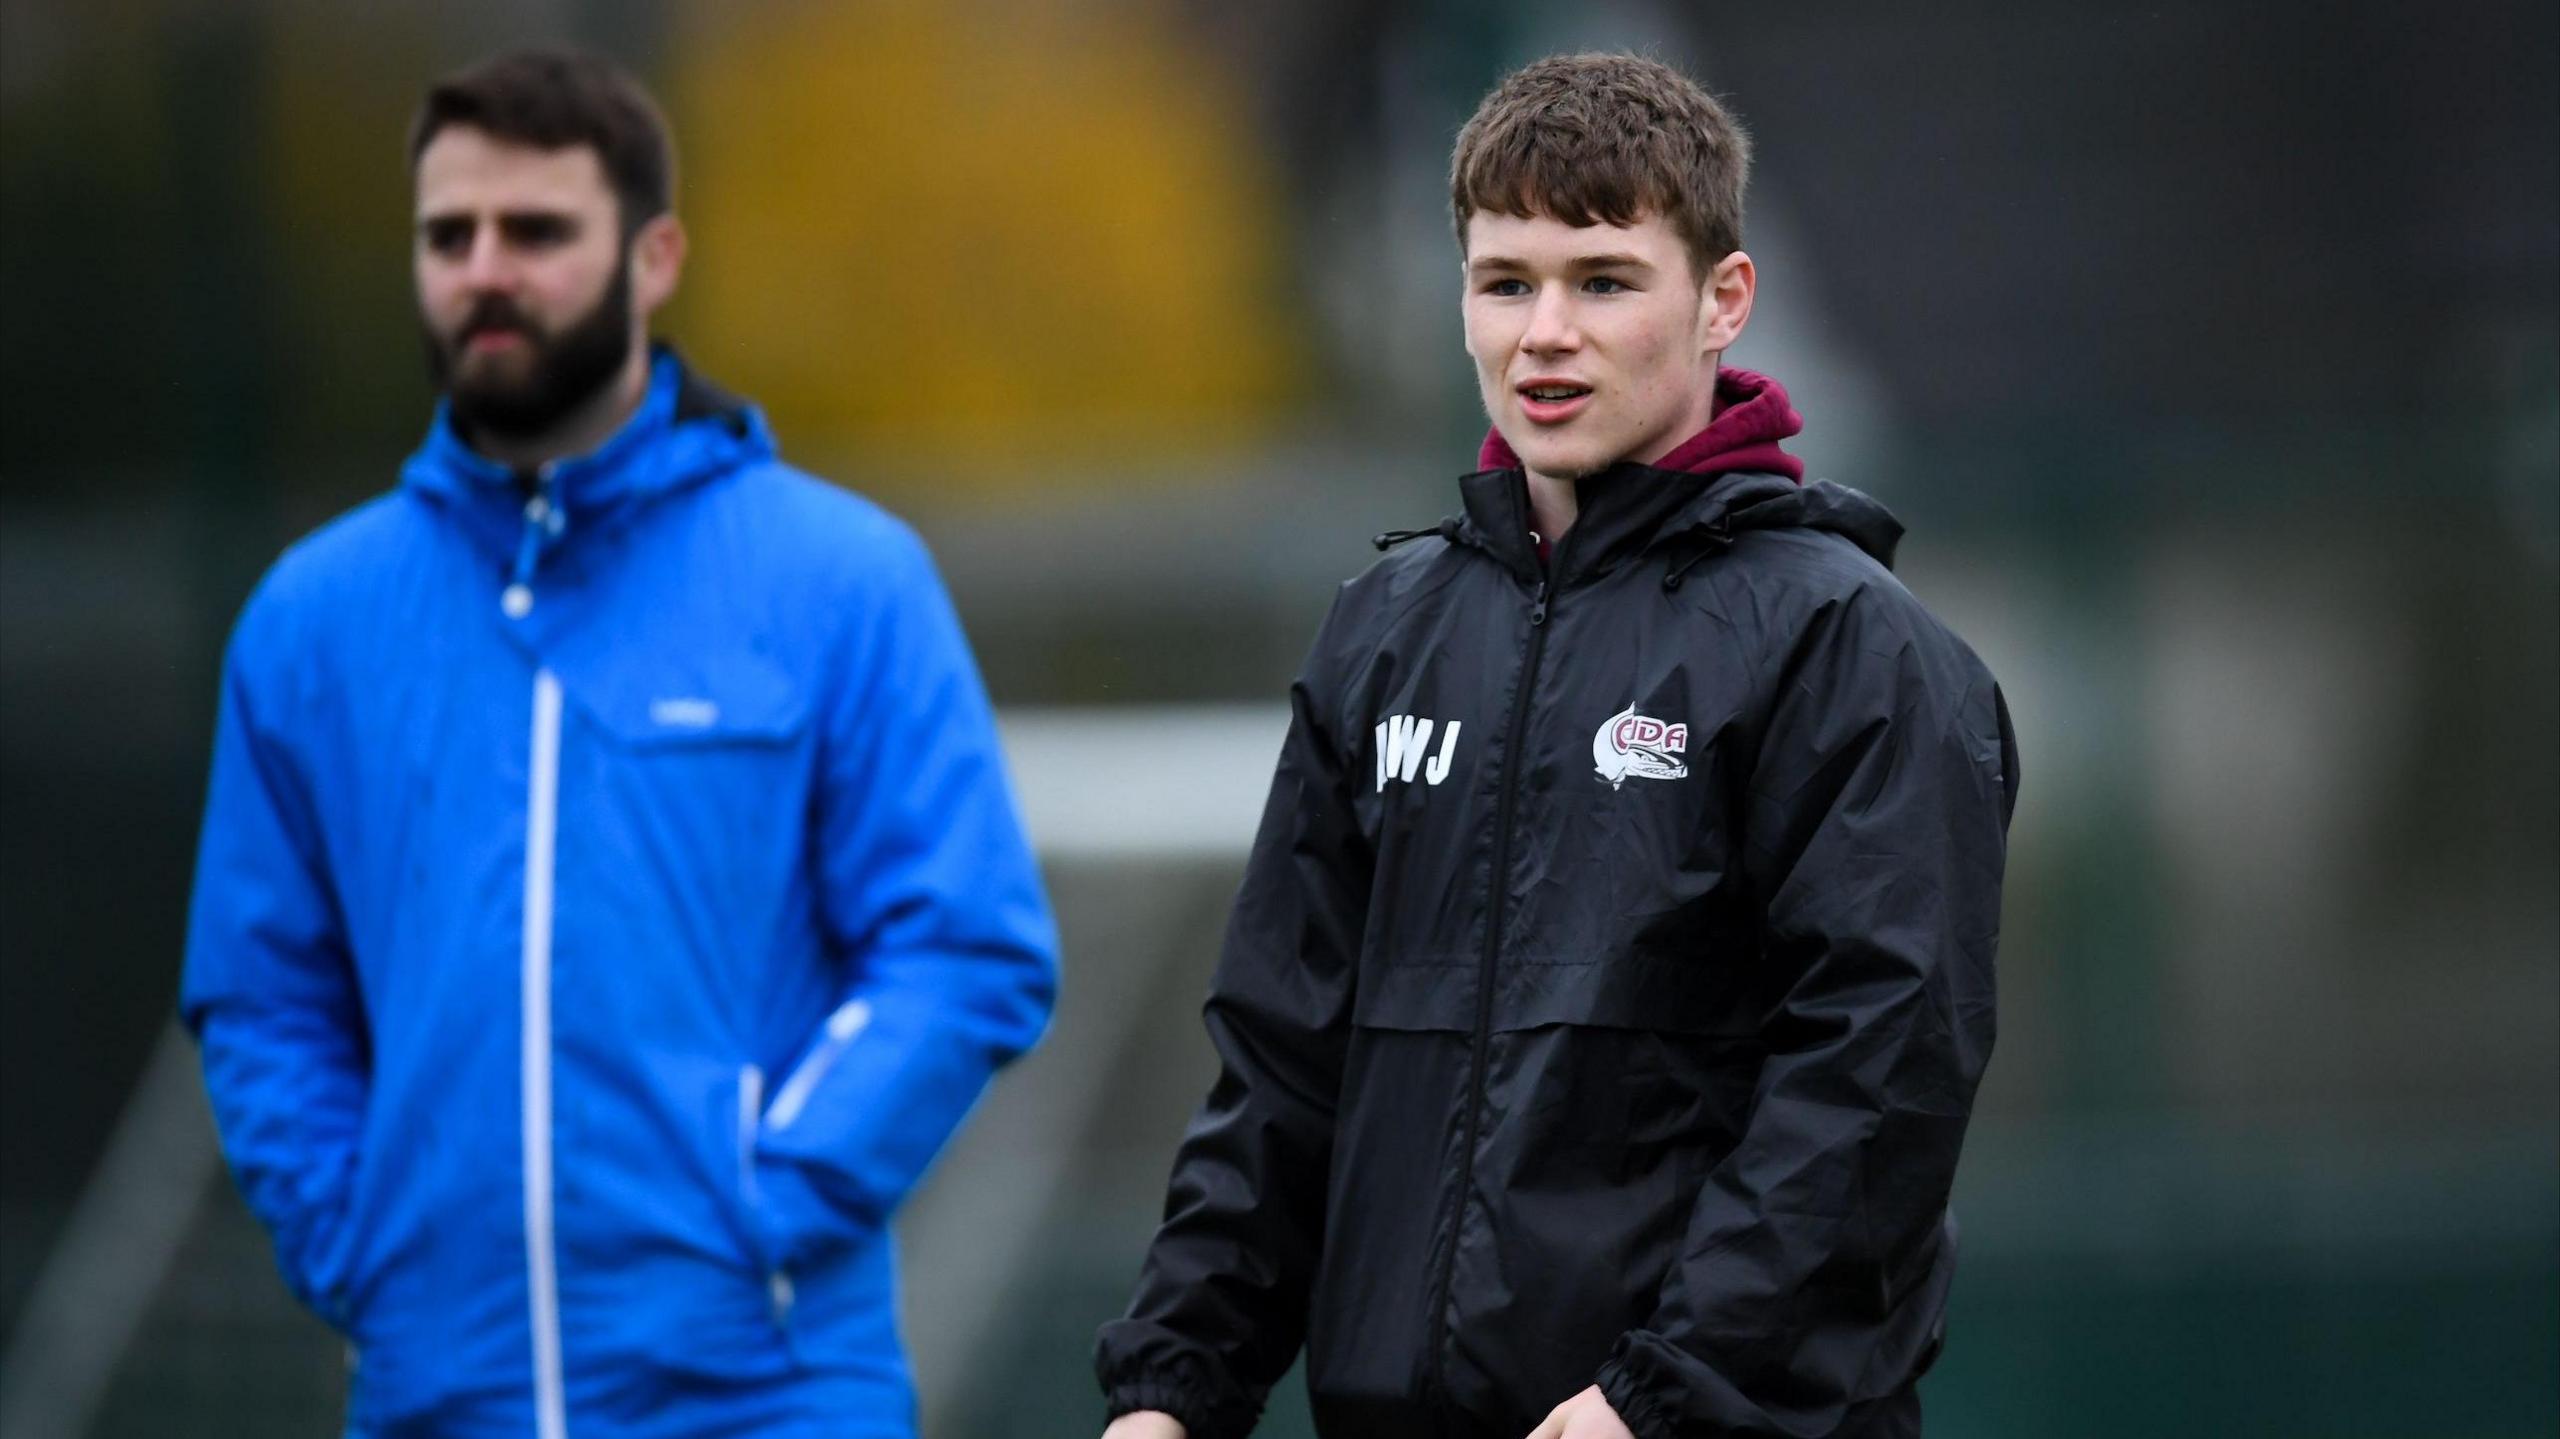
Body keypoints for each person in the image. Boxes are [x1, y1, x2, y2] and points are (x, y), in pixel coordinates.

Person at [1095, 52, 2017, 1439]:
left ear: (1723, 303)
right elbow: (1283, 1067)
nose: (1544, 333)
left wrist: (1662, 1395)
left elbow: (1873, 1085)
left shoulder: (1848, 648)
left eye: (1602, 280)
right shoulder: (1384, 635)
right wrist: (1176, 1384)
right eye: (1505, 281)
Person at [181, 49, 1057, 1438]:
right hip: (434, 1397)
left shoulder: (838, 581)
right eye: (447, 235)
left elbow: (965, 946)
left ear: (654, 259)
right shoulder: (311, 622)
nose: (485, 272)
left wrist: (760, 1199)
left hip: (766, 1395)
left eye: (536, 232)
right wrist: (355, 1246)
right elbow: (261, 994)